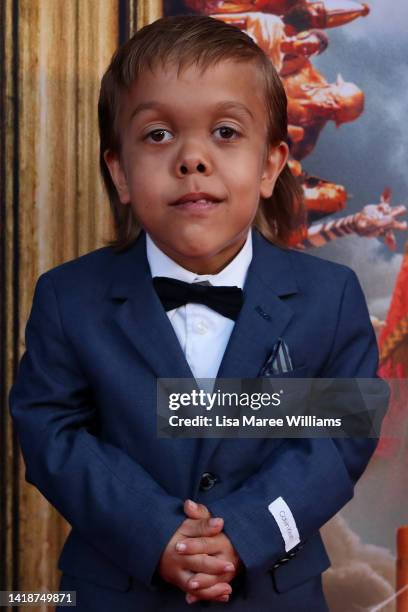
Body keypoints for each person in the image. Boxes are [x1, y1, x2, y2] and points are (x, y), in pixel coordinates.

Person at [8, 14, 389, 612]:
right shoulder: (68, 297)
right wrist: (154, 533)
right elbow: (52, 433)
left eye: (226, 132)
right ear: (119, 172)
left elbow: (340, 440)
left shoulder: (331, 297)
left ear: (270, 166)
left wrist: (245, 533)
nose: (192, 158)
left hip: (275, 594)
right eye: (158, 135)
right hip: (114, 593)